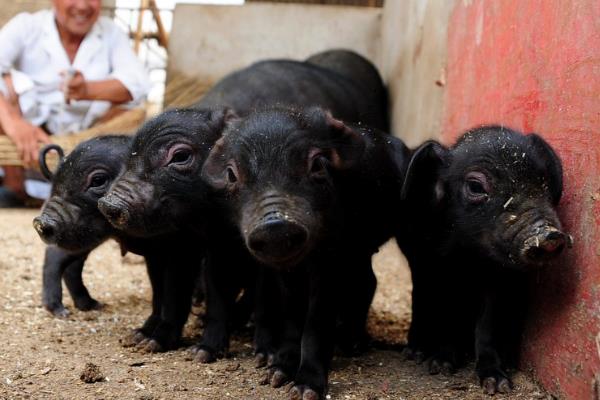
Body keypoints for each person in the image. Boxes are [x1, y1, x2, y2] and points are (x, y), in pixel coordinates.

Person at [0, 0, 150, 207]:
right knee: (4, 87)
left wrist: (86, 90)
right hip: (24, 140)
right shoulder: (26, 26)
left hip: (84, 138)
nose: (82, 6)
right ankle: (15, 187)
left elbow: (139, 84)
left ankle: (85, 187)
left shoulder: (110, 32)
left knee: (131, 109)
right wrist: (14, 122)